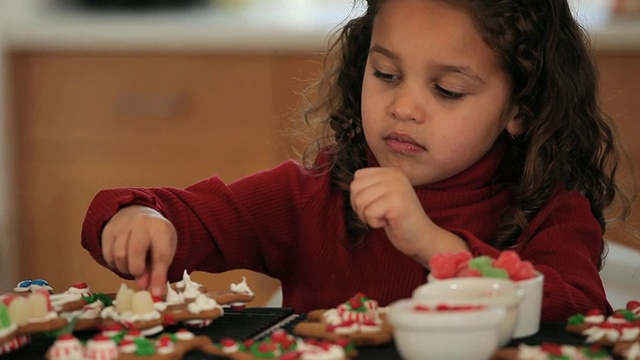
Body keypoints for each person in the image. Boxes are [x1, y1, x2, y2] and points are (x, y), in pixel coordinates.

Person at [81, 0, 636, 321]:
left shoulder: (554, 211)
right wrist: (140, 219)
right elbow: (184, 215)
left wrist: (433, 246)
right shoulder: (315, 195)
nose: (403, 106)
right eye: (386, 74)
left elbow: (578, 309)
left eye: (447, 89)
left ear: (521, 109)